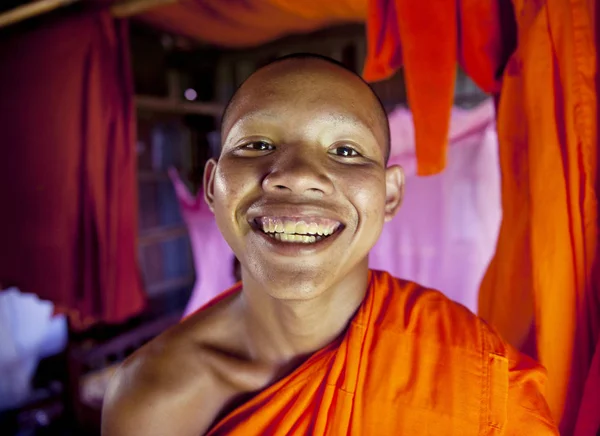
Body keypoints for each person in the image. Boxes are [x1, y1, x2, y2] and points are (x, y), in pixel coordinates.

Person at [102, 54, 558, 435]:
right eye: (257, 144)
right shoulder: (151, 400)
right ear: (211, 186)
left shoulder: (476, 375)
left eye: (345, 151)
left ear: (390, 194)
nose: (297, 174)